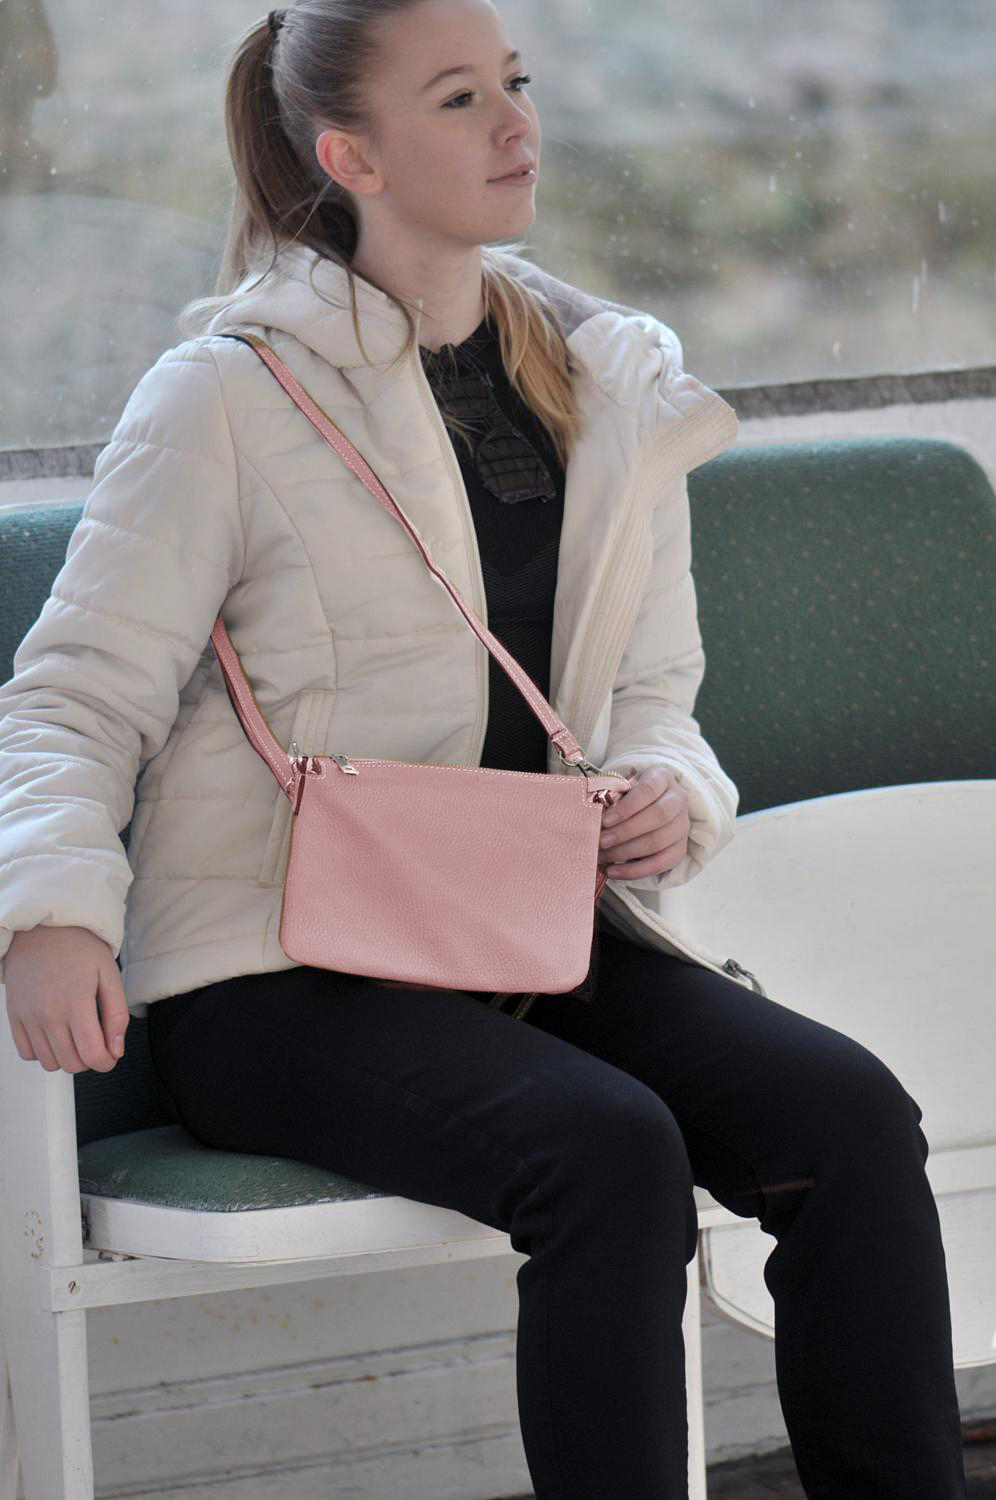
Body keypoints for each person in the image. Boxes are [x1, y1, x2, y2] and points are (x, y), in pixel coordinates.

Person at [0, 2, 967, 1495]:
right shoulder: (225, 395)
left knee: (848, 1118)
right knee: (610, 1150)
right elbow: (72, 692)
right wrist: (53, 911)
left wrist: (669, 792)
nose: (518, 124)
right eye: (459, 99)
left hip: (527, 935)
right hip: (275, 976)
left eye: (515, 83)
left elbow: (656, 691)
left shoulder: (609, 381)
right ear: (352, 156)